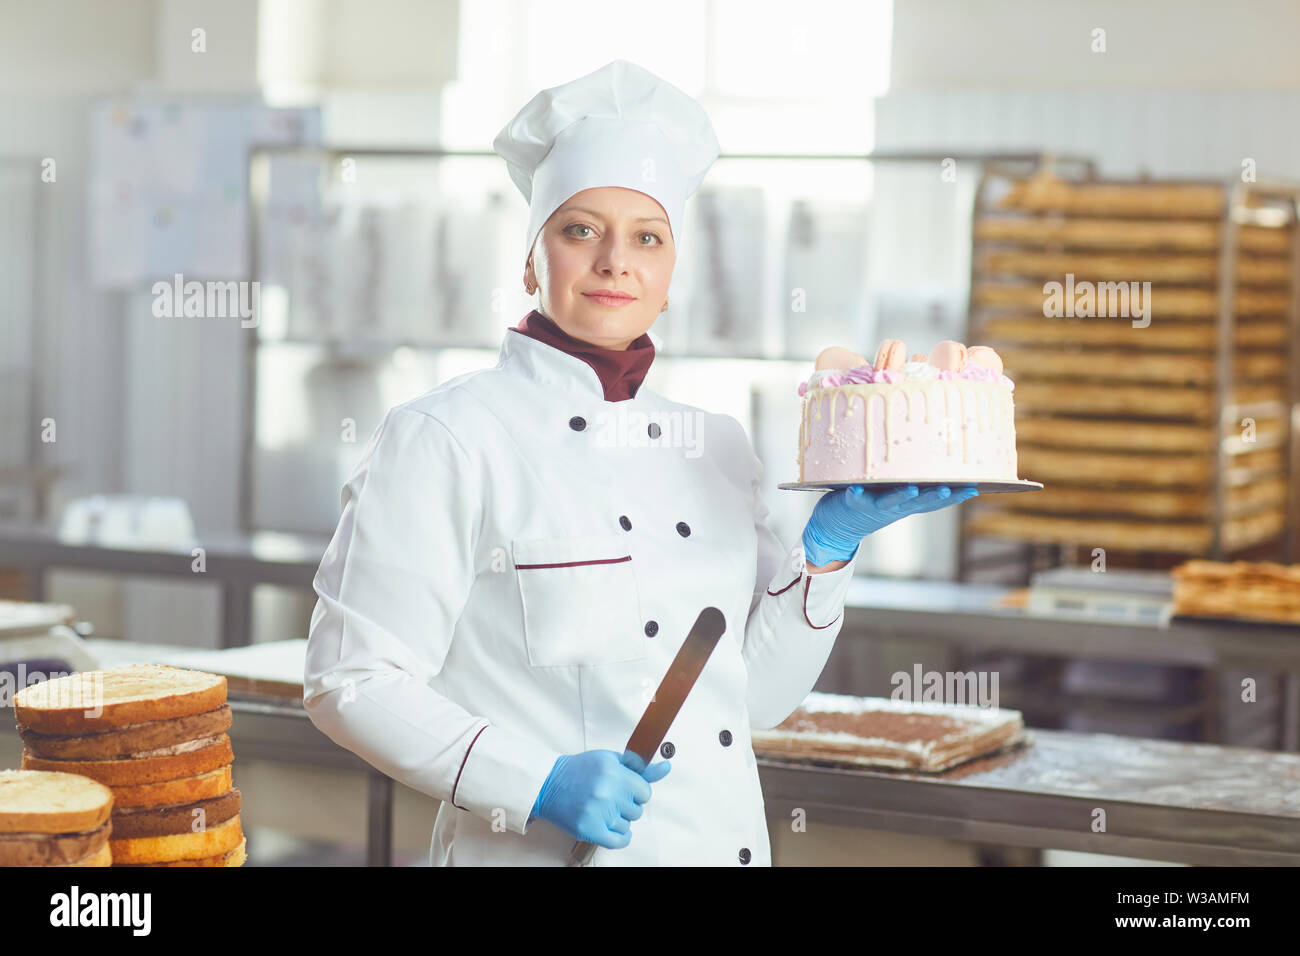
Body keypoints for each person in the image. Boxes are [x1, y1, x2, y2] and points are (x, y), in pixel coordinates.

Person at [303, 59, 977, 866]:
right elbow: (351, 682)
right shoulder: (447, 437)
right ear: (529, 262)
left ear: (668, 278)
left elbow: (757, 696)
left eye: (647, 237)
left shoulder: (716, 445)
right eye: (580, 229)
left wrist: (827, 551)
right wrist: (534, 780)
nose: (615, 260)